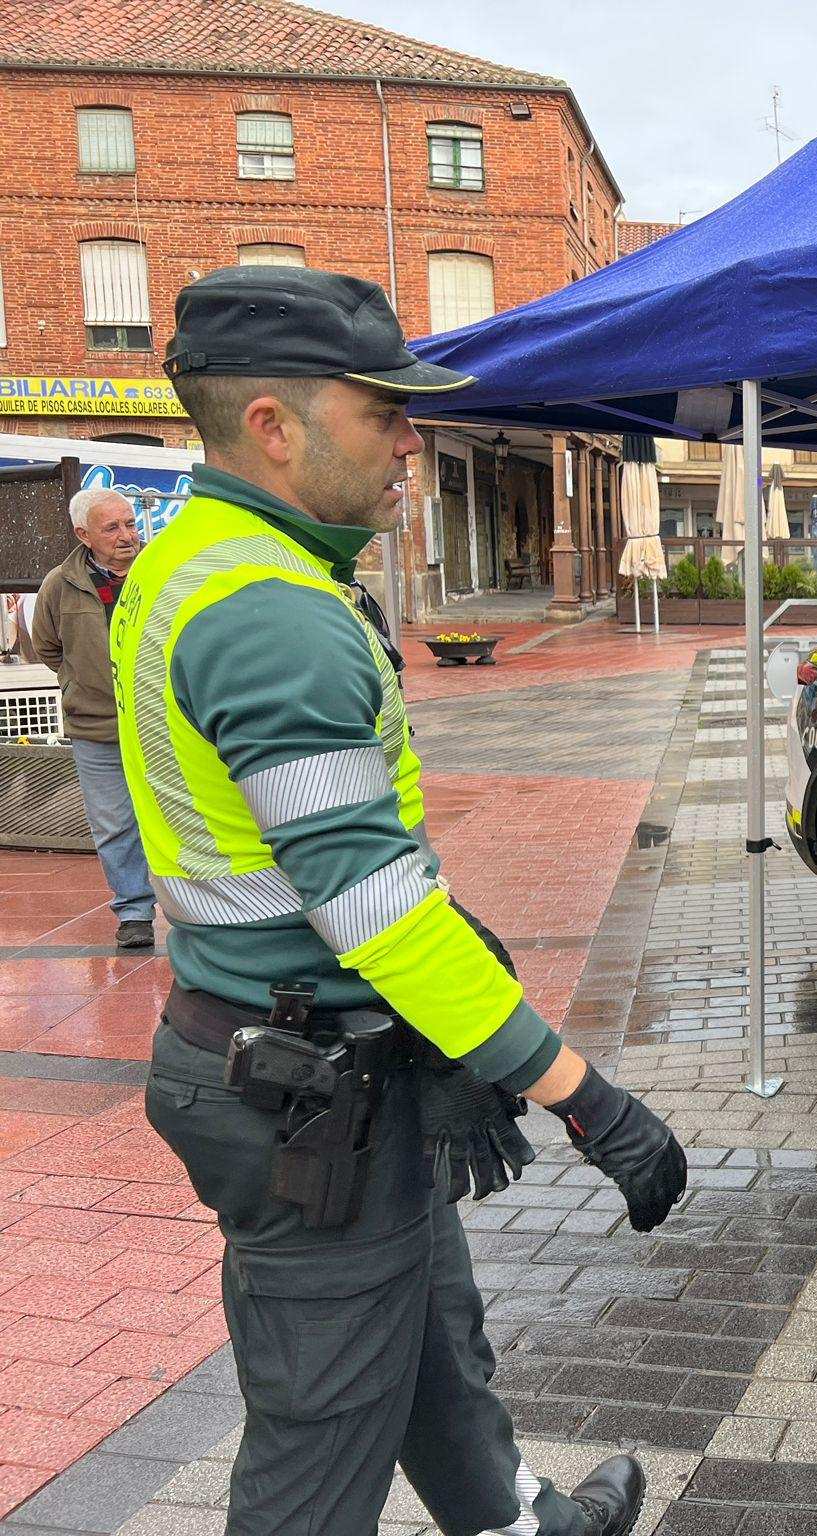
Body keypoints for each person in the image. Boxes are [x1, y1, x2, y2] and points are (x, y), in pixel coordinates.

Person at [115, 265, 688, 1536]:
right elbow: (373, 908)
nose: (412, 440)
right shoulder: (271, 613)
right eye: (383, 411)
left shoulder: (201, 559)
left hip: (309, 1063)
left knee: (428, 1324)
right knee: (319, 1449)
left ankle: (518, 1522)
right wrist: (586, 1098)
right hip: (307, 1088)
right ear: (273, 424)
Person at [30, 488, 157, 947]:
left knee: (184, 815)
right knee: (113, 824)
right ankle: (135, 912)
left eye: (130, 523)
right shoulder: (59, 584)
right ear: (83, 535)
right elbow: (47, 647)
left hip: (162, 722)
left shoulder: (161, 570)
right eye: (112, 527)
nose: (127, 535)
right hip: (96, 726)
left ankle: (203, 910)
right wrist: (79, 681)